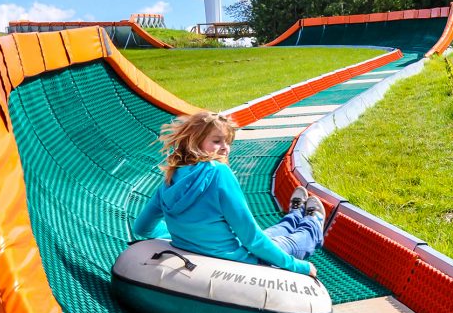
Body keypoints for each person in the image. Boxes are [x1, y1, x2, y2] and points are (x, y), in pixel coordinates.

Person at [132, 111, 323, 278]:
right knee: (287, 242)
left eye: (228, 141)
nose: (225, 148)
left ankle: (296, 215)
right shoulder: (218, 173)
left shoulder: (170, 177)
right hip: (238, 258)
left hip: (227, 244)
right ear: (195, 142)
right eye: (217, 141)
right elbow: (252, 239)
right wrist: (299, 266)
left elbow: (142, 227)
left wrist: (185, 234)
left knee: (271, 236)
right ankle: (313, 222)